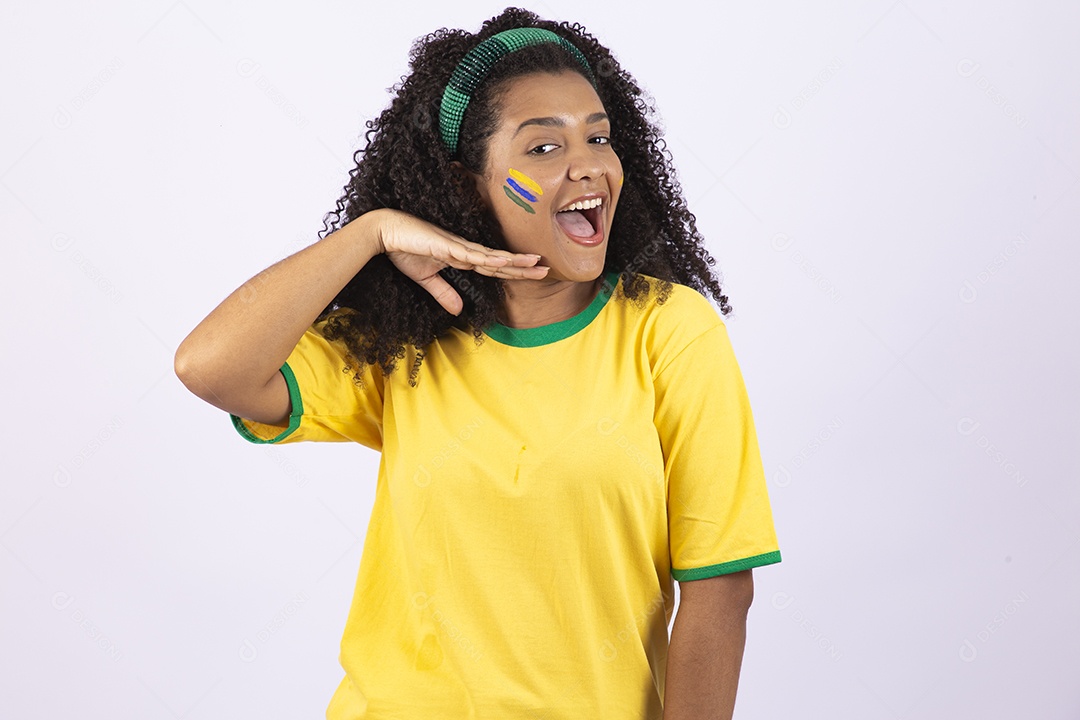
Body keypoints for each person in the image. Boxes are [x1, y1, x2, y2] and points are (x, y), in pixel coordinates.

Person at [174, 7, 782, 719]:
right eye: (543, 148)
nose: (586, 164)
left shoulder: (669, 332)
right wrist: (368, 235)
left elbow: (720, 588)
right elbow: (209, 367)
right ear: (468, 186)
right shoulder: (408, 341)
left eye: (598, 137)